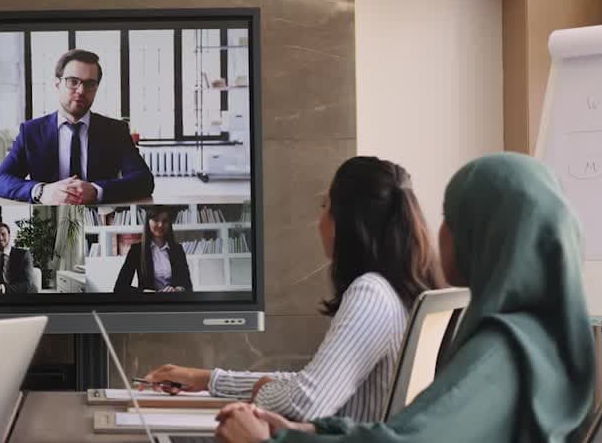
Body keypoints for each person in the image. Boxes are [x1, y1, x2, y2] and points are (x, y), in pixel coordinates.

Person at [215, 154, 595, 443]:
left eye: (451, 217)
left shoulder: (501, 354)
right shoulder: (531, 340)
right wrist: (312, 432)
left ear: (488, 233)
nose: (440, 231)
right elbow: (413, 436)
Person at [145, 157, 443, 423]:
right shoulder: (394, 291)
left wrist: (263, 392)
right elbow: (310, 383)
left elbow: (306, 403)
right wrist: (208, 379)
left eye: (325, 206)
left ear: (348, 222)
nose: (319, 220)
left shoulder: (372, 294)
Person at [0, 49, 154, 204]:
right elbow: (0, 180)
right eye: (73, 82)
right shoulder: (31, 131)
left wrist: (97, 191)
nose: (81, 90)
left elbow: (144, 180)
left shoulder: (115, 131)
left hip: (99, 217)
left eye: (90, 84)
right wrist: (41, 191)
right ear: (57, 84)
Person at [114, 206, 192, 293]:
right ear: (148, 222)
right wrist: (143, 292)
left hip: (173, 302)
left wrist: (177, 289)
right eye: (155, 220)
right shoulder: (136, 250)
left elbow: (188, 286)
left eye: (165, 221)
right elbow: (120, 287)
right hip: (148, 303)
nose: (160, 225)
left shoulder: (178, 250)